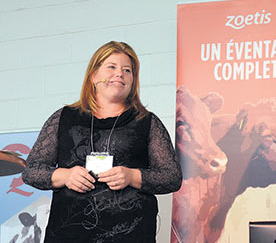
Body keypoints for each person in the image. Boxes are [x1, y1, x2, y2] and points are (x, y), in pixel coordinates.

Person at [22, 41, 182, 243]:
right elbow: (31, 171)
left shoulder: (147, 122)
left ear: (133, 80)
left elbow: (172, 177)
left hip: (132, 235)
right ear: (94, 75)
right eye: (112, 67)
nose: (120, 74)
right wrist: (64, 175)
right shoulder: (63, 117)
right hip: (69, 235)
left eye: (127, 70)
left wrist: (133, 176)